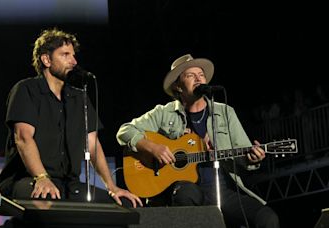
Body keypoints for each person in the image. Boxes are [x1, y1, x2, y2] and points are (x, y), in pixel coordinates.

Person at [116, 54, 279, 227]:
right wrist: (153, 148)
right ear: (178, 86)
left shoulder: (225, 113)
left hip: (221, 190)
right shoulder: (164, 113)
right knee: (185, 194)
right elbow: (124, 131)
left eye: (201, 75)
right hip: (185, 190)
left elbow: (244, 153)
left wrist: (252, 158)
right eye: (190, 75)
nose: (198, 79)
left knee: (268, 218)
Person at [0, 28, 142, 208]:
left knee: (122, 204)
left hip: (69, 184)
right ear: (46, 59)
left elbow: (93, 144)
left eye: (73, 55)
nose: (74, 61)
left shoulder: (79, 97)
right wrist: (42, 178)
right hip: (28, 179)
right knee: (48, 200)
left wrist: (112, 187)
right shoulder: (27, 90)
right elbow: (23, 138)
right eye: (65, 55)